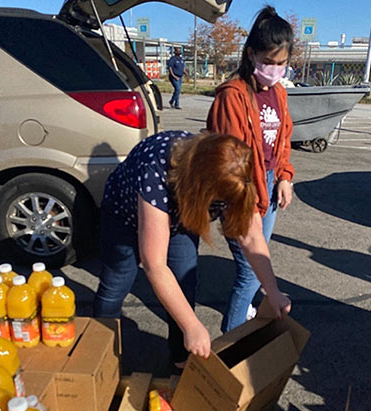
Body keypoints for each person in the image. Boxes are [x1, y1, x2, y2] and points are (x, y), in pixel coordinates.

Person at [93, 130, 291, 371]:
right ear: (201, 188)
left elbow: (251, 237)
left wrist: (273, 292)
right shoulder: (156, 169)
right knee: (117, 283)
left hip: (181, 216)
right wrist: (192, 326)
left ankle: (180, 360)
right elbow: (154, 264)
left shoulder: (235, 175)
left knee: (184, 284)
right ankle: (99, 356)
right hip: (124, 217)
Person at [207, 5, 295, 332]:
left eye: (281, 63)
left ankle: (241, 325)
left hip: (268, 183)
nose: (274, 70)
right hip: (241, 188)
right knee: (250, 273)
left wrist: (284, 176)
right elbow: (230, 160)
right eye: (268, 62)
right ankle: (231, 346)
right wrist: (247, 203)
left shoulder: (279, 94)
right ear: (251, 55)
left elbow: (283, 138)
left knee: (258, 263)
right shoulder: (232, 96)